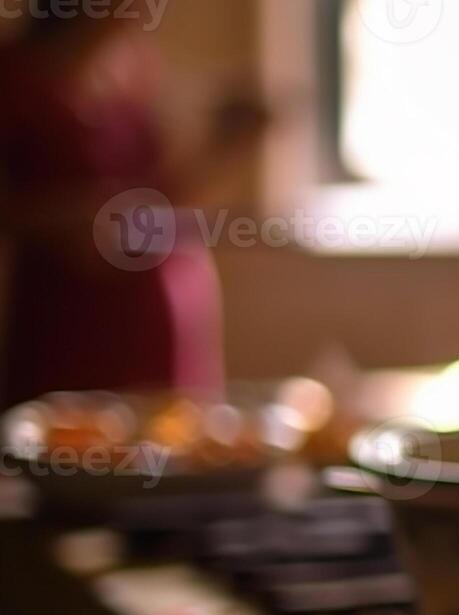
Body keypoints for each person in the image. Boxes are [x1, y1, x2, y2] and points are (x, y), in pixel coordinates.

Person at [0, 10, 263, 408]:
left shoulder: (133, 68)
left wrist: (222, 151)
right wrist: (64, 217)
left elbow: (157, 195)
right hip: (72, 331)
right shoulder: (17, 74)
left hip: (158, 324)